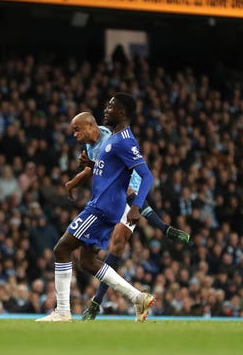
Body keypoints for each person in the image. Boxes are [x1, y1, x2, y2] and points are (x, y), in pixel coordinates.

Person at [36, 93, 155, 322]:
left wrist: (137, 206)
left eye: (111, 107)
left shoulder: (123, 141)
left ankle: (62, 311)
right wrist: (91, 166)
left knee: (61, 249)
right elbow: (111, 169)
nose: (106, 110)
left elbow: (146, 176)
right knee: (87, 262)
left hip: (102, 207)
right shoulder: (114, 139)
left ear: (121, 113)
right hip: (104, 204)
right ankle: (137, 297)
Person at [65, 111, 190, 320]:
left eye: (77, 130)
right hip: (110, 200)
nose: (75, 135)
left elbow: (133, 185)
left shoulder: (112, 140)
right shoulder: (91, 145)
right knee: (91, 258)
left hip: (124, 197)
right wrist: (74, 181)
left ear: (91, 127)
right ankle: (134, 298)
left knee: (115, 244)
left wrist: (147, 215)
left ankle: (97, 304)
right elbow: (96, 170)